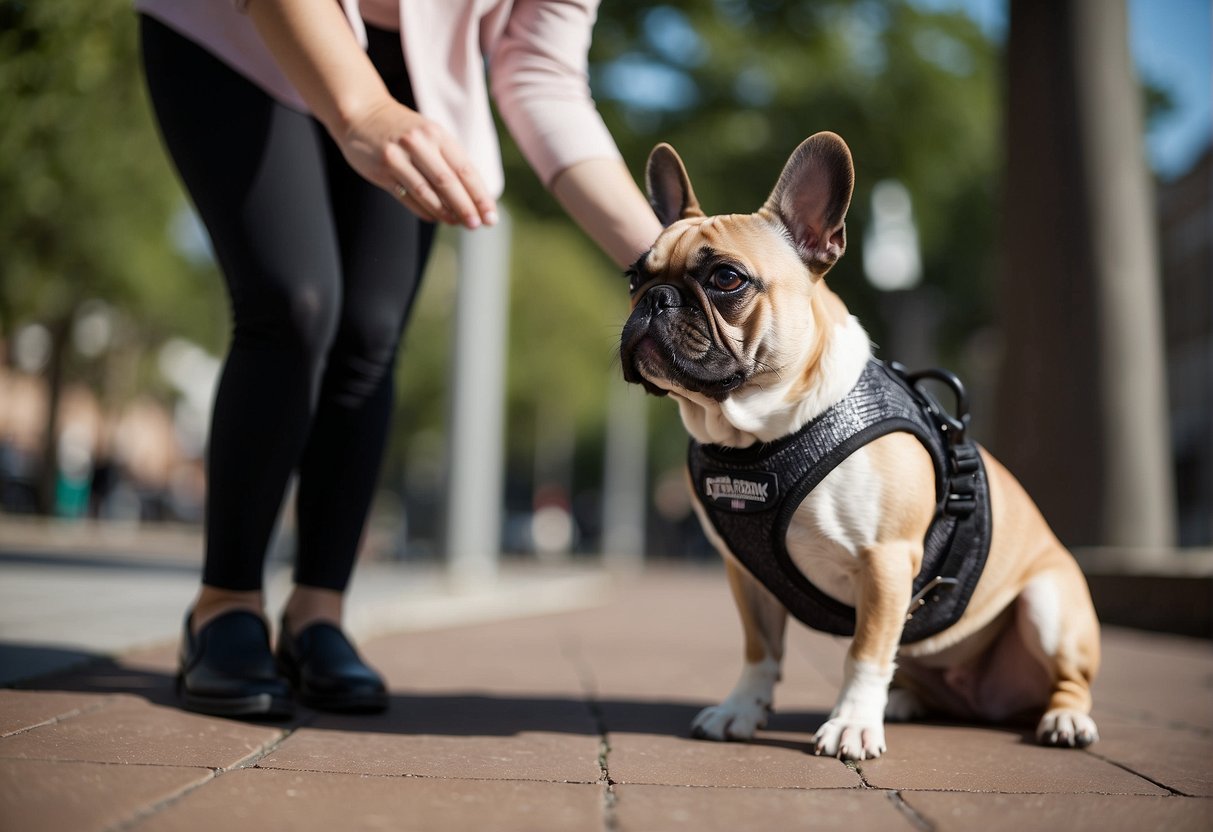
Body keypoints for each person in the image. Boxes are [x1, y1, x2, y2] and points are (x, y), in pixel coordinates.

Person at [137, 0, 663, 718]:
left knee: (369, 331)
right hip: (243, 33)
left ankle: (316, 614)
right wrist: (358, 111)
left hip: (411, 72)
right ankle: (223, 606)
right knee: (294, 303)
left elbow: (540, 71)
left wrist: (666, 263)